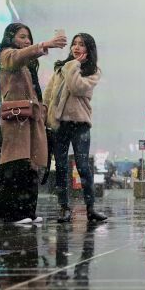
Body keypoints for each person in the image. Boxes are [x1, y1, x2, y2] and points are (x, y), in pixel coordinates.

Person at [0, 23, 67, 225]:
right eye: (22, 37)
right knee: (15, 164)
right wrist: (45, 44)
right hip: (16, 118)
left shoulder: (27, 64)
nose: (26, 41)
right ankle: (11, 214)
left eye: (29, 37)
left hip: (31, 118)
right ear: (10, 37)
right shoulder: (6, 55)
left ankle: (27, 212)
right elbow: (17, 57)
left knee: (31, 166)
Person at [43, 33, 107, 224]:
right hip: (60, 124)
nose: (76, 47)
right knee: (61, 168)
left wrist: (73, 65)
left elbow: (76, 87)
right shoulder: (61, 68)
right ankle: (64, 208)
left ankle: (90, 208)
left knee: (83, 168)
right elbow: (49, 93)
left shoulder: (93, 71)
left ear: (89, 49)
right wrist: (46, 116)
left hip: (80, 124)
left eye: (81, 44)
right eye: (74, 44)